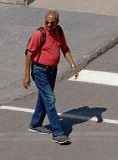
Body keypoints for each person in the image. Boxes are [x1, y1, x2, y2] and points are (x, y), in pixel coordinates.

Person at [23, 10, 79, 145]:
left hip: (52, 71)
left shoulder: (59, 31)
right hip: (40, 71)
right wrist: (26, 76)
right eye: (46, 22)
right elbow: (29, 54)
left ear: (57, 22)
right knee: (50, 99)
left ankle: (35, 124)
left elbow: (64, 48)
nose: (49, 25)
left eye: (52, 23)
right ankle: (57, 133)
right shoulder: (39, 34)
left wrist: (73, 64)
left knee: (44, 97)